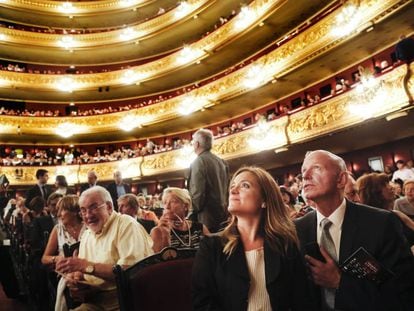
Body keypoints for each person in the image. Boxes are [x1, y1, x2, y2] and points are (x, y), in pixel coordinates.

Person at [295, 150, 414, 310]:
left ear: (341, 179)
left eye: (316, 168)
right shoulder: (296, 229)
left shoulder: (381, 223)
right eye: (303, 171)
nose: (306, 176)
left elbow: (403, 290)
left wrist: (339, 282)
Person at [192, 166, 314, 310]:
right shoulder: (211, 246)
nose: (233, 190)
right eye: (232, 186)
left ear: (265, 200)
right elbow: (203, 304)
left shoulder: (285, 244)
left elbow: (301, 300)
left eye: (245, 185)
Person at [55, 186, 153, 310]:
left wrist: (85, 266)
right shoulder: (87, 234)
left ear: (109, 207)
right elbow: (82, 270)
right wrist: (77, 280)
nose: (88, 215)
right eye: (83, 210)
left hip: (126, 301)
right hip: (94, 300)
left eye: (93, 208)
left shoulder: (126, 225)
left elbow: (131, 274)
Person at [188, 129, 229, 233]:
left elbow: (198, 195)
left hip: (206, 220)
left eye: (193, 142)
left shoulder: (198, 162)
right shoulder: (221, 162)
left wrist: (190, 215)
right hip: (223, 216)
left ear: (197, 144)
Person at [151, 187, 208, 252]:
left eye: (172, 202)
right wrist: (165, 235)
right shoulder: (158, 231)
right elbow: (160, 260)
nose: (167, 207)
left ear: (186, 206)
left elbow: (213, 251)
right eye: (165, 203)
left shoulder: (200, 228)